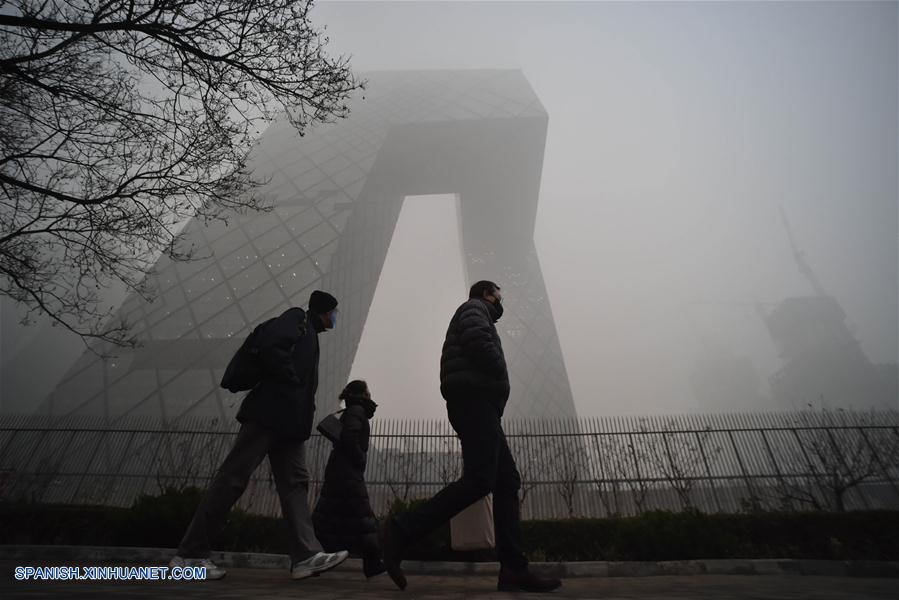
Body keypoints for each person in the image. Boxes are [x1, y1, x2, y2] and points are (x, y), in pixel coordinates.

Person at [381, 281, 562, 593]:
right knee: (480, 479)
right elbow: (478, 342)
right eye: (499, 293)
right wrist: (497, 374)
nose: (501, 298)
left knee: (507, 481)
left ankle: (513, 570)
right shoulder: (475, 308)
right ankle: (398, 532)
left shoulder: (477, 312)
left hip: (477, 402)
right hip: (474, 400)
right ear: (487, 293)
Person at [169, 290, 348, 580]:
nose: (336, 318)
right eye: (335, 313)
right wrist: (290, 381)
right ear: (325, 311)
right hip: (268, 414)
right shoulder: (296, 317)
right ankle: (189, 556)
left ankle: (306, 556)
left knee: (295, 485)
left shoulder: (310, 335)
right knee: (232, 480)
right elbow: (272, 347)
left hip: (290, 425)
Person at [312, 380, 386, 578]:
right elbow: (350, 437)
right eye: (368, 391)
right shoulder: (356, 411)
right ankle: (372, 562)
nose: (370, 394)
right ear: (362, 394)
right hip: (347, 472)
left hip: (341, 470)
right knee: (365, 519)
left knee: (327, 519)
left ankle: (310, 555)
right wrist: (359, 457)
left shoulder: (354, 410)